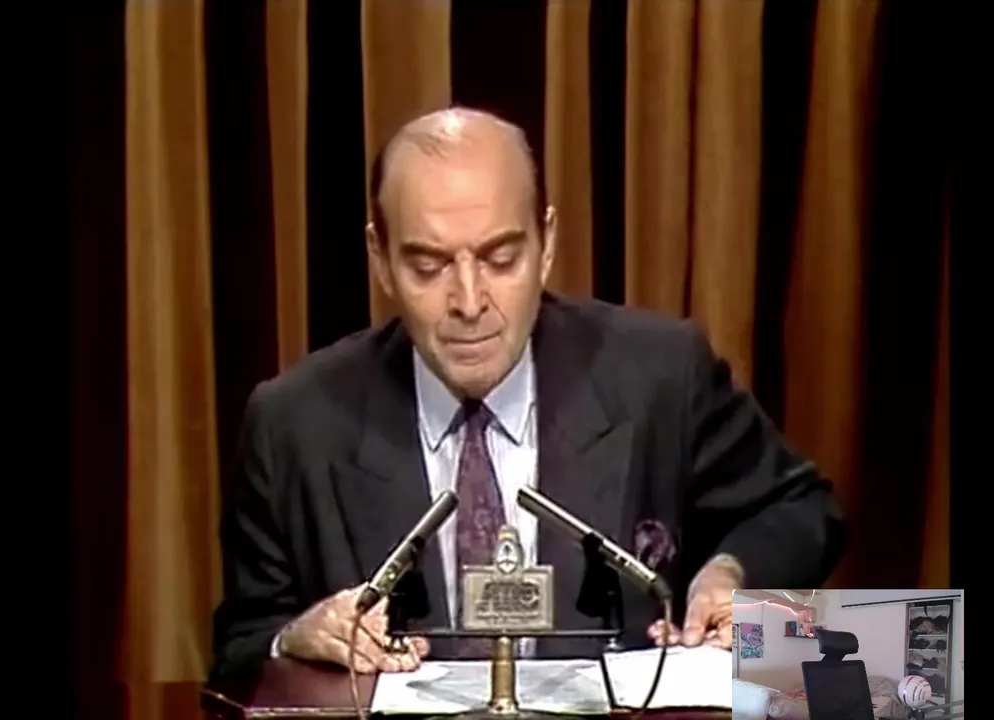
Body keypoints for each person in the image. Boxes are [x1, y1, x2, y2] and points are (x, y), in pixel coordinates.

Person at [209, 107, 845, 682]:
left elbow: (799, 507)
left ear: (545, 245)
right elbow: (239, 650)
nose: (469, 302)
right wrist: (296, 637)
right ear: (380, 258)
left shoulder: (661, 373)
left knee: (889, 667)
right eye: (428, 266)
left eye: (501, 259)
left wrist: (732, 574)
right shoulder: (293, 424)